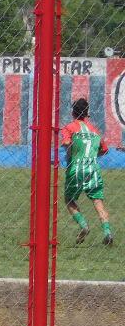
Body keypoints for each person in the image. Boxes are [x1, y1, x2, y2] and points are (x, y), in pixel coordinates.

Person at [61, 98, 112, 246]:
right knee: (97, 200)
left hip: (76, 168)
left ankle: (84, 225)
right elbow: (104, 150)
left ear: (73, 112)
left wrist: (69, 147)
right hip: (93, 169)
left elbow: (66, 142)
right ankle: (107, 232)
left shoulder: (69, 127)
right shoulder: (95, 131)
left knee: (69, 199)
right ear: (87, 113)